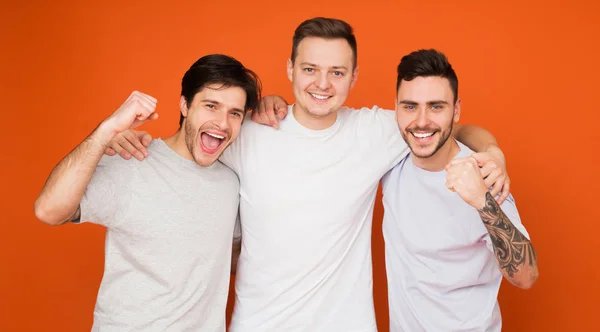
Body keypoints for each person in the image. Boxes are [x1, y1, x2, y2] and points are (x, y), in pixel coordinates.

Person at [109, 18, 510, 331]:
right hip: (258, 326)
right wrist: (129, 140)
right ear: (290, 69)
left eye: (337, 72)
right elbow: (188, 147)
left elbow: (448, 128)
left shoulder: (377, 131)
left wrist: (492, 152)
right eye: (310, 69)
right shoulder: (248, 132)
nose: (322, 83)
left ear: (354, 77)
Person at [33, 54, 261, 331]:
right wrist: (107, 130)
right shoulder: (133, 160)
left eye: (234, 113)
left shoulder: (231, 182)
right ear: (185, 105)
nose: (223, 123)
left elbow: (233, 255)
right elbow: (49, 211)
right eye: (211, 106)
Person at [382, 49, 538, 331]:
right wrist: (273, 103)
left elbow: (526, 277)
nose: (421, 120)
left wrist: (482, 202)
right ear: (396, 108)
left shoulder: (484, 174)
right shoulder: (392, 154)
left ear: (456, 109)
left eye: (436, 106)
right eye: (410, 106)